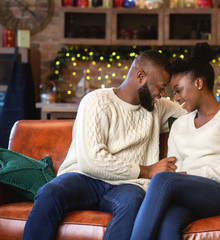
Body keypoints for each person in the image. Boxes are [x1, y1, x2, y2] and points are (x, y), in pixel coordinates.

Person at [22, 50, 187, 240]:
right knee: (49, 192)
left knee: (133, 202)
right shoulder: (96, 101)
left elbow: (192, 109)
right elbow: (91, 161)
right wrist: (147, 171)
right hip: (85, 178)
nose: (162, 94)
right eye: (160, 87)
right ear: (141, 77)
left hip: (127, 185)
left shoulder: (157, 106)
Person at [130, 43, 220, 240]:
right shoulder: (180, 124)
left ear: (199, 83)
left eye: (179, 90)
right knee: (168, 221)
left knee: (162, 179)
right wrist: (183, 178)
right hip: (186, 192)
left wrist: (192, 175)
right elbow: (176, 170)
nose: (176, 98)